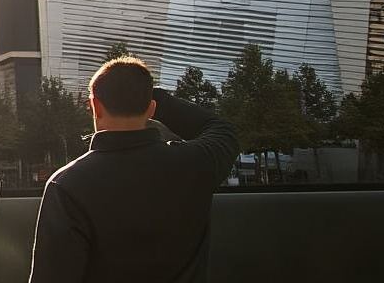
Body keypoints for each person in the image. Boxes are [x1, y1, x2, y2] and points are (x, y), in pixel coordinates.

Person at [29, 57, 239, 283]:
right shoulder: (196, 163)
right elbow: (221, 130)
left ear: (95, 106)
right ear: (151, 109)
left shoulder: (66, 184)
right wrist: (147, 94)